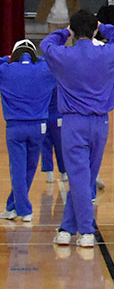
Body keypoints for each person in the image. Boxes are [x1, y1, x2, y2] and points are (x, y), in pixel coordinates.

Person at [41, 10, 114, 248]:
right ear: (94, 31)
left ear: (73, 31)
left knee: (81, 178)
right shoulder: (107, 54)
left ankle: (85, 230)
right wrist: (104, 27)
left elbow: (46, 43)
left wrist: (65, 32)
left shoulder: (63, 55)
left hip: (73, 123)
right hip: (100, 124)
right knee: (85, 177)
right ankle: (67, 228)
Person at [0, 40, 57, 222]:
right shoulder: (45, 70)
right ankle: (12, 207)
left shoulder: (5, 70)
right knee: (29, 169)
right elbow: (52, 62)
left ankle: (24, 210)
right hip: (39, 126)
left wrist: (8, 58)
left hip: (15, 127)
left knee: (17, 170)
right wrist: (36, 59)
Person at [40, 87, 66, 183]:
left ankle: (49, 172)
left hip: (44, 116)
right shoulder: (59, 79)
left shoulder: (44, 80)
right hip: (57, 116)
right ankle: (63, 172)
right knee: (60, 145)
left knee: (46, 145)